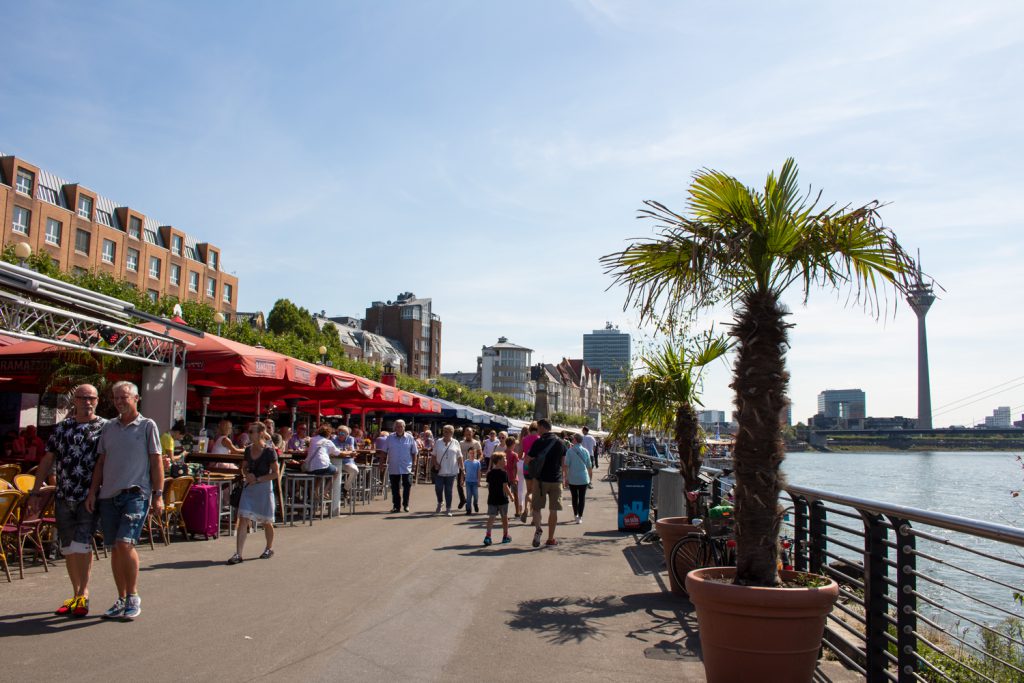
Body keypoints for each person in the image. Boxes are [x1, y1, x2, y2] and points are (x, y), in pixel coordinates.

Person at [85, 381, 162, 621]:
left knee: (125, 543)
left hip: (135, 493)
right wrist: (92, 492)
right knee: (115, 548)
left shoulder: (148, 426)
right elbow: (101, 462)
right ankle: (121, 598)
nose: (119, 401)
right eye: (116, 397)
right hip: (108, 495)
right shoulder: (108, 427)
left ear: (136, 398)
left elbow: (156, 460)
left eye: (124, 397)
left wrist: (158, 495)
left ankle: (133, 596)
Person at [27, 384, 106, 618]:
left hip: (89, 496)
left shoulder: (104, 427)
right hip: (64, 495)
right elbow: (48, 458)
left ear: (97, 400)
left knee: (83, 545)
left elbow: (106, 461)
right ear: (75, 401)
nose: (87, 402)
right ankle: (76, 594)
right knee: (69, 548)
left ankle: (84, 593)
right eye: (82, 398)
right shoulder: (63, 428)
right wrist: (35, 491)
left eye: (91, 398)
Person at [227, 423, 279, 564]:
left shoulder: (269, 451)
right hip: (249, 487)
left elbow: (276, 473)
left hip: (263, 488)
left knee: (267, 522)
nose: (249, 434)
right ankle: (238, 554)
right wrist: (247, 473)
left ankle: (269, 548)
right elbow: (243, 467)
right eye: (248, 431)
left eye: (252, 432)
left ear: (261, 433)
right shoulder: (248, 450)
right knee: (243, 518)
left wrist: (259, 479)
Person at [527, 418, 567, 548]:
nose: (537, 430)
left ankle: (538, 528)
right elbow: (563, 463)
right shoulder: (561, 442)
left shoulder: (539, 442)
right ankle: (550, 539)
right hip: (556, 480)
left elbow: (527, 460)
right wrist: (564, 478)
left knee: (537, 507)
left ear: (543, 428)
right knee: (553, 510)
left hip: (540, 480)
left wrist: (533, 464)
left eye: (538, 428)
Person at [384, 420, 417, 513]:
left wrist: (414, 464)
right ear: (394, 428)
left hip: (407, 466)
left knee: (407, 485)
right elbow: (384, 451)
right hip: (394, 465)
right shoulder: (390, 438)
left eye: (401, 426)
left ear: (404, 427)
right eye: (397, 426)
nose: (399, 428)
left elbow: (414, 452)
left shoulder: (410, 438)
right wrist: (382, 463)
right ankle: (396, 506)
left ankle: (406, 505)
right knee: (395, 487)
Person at [483, 453, 514, 546]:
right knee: (504, 517)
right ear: (499, 461)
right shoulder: (504, 473)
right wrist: (511, 495)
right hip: (502, 499)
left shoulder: (490, 473)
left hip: (492, 498)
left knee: (491, 517)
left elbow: (489, 486)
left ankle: (488, 536)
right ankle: (505, 536)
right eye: (504, 459)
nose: (506, 460)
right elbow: (505, 486)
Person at [432, 425, 462, 516]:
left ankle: (448, 508)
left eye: (448, 432)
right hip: (439, 470)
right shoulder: (438, 442)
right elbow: (433, 455)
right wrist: (435, 464)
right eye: (445, 431)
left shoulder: (456, 442)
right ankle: (440, 502)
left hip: (451, 470)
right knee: (438, 488)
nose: (446, 433)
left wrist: (462, 468)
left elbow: (460, 456)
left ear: (452, 433)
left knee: (448, 490)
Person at [565, 433, 594, 524]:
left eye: (573, 438)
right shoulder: (585, 451)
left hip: (573, 477)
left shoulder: (570, 451)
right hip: (583, 478)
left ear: (575, 440)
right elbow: (589, 466)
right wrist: (590, 478)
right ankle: (580, 516)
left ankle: (575, 514)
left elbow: (566, 465)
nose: (572, 440)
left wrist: (566, 477)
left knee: (574, 497)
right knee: (582, 498)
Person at [518, 423, 539, 523]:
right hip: (537, 467)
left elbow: (519, 454)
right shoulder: (540, 439)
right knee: (535, 492)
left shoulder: (524, 439)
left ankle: (525, 509)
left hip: (526, 466)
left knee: (529, 490)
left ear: (530, 429)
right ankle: (534, 518)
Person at [333, 425, 359, 502]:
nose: (340, 435)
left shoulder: (351, 439)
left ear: (347, 434)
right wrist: (346, 451)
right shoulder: (334, 439)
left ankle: (345, 489)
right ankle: (331, 494)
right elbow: (332, 450)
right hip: (335, 462)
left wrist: (345, 451)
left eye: (343, 433)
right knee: (331, 473)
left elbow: (352, 451)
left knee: (355, 471)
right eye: (339, 433)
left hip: (347, 461)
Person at [458, 427, 481, 509]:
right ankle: (463, 499)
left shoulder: (476, 443)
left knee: (472, 485)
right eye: (466, 433)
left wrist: (477, 461)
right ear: (464, 434)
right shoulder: (460, 443)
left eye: (469, 433)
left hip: (472, 468)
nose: (468, 435)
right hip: (462, 466)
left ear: (472, 434)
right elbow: (458, 454)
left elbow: (480, 454)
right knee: (459, 485)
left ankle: (473, 502)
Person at [502, 436, 521, 517]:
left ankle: (504, 512)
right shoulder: (514, 454)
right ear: (513, 444)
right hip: (512, 477)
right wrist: (515, 477)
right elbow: (515, 467)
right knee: (516, 495)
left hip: (504, 476)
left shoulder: (503, 453)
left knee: (504, 495)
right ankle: (517, 512)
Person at [464, 446, 481, 515]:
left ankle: (475, 504)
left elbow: (479, 472)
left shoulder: (477, 462)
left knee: (476, 495)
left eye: (473, 453)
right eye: (471, 453)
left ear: (476, 454)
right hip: (468, 481)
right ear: (468, 454)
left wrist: (479, 481)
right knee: (468, 496)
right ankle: (468, 509)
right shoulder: (466, 462)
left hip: (475, 482)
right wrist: (462, 480)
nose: (472, 454)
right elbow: (463, 471)